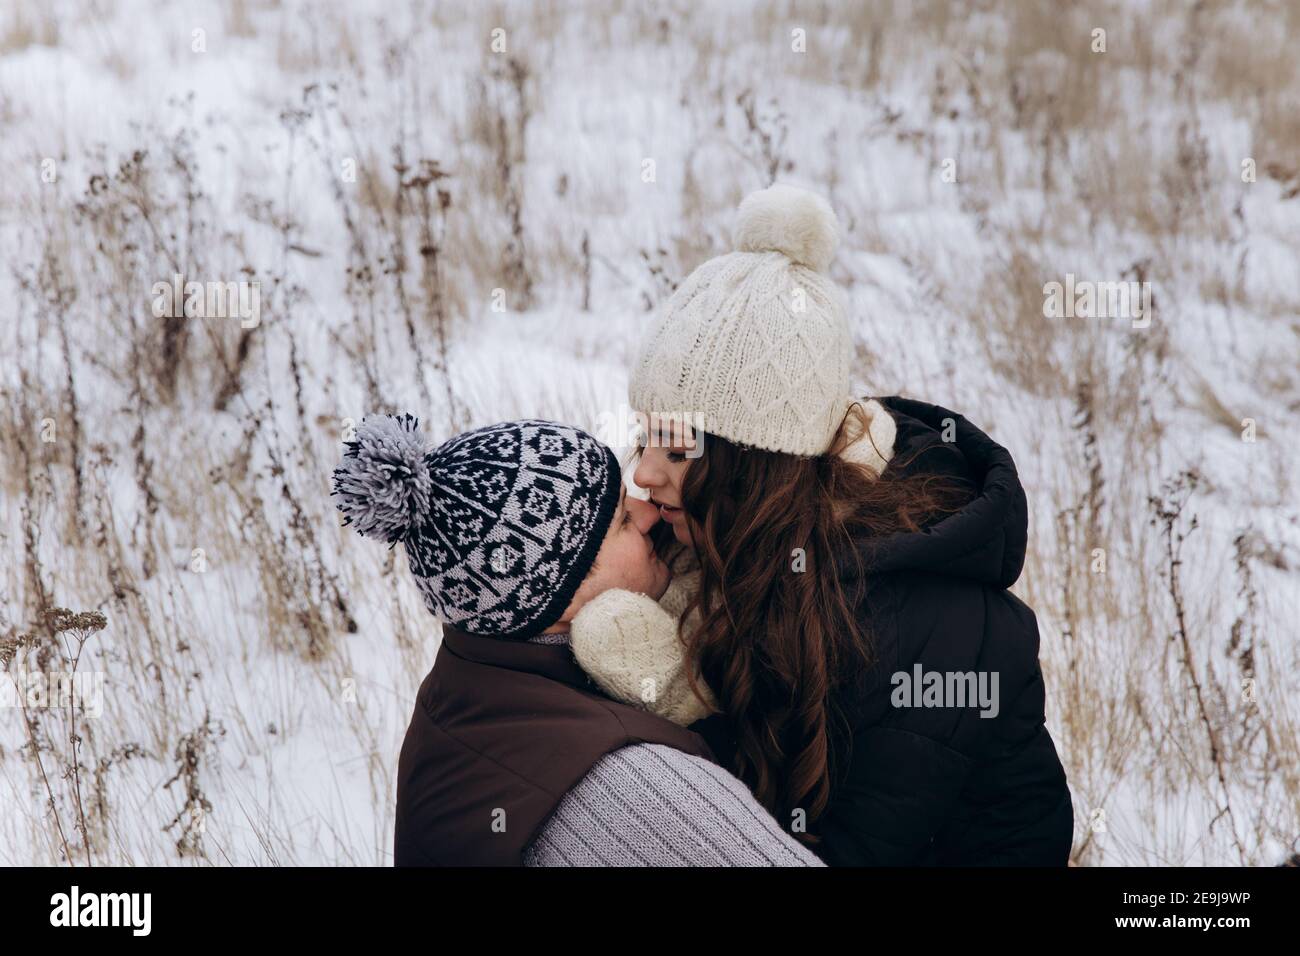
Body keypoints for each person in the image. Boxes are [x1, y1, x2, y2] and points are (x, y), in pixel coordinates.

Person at [568, 182, 1075, 865]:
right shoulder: (713, 546)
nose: (645, 474)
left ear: (756, 462)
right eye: (646, 437)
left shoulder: (910, 628)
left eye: (677, 446)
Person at [331, 414, 823, 866]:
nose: (648, 513)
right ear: (561, 596)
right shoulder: (640, 790)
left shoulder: (463, 699)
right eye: (622, 522)